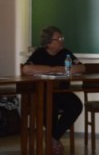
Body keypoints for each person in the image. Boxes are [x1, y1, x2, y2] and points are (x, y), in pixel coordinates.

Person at [22, 26, 84, 155]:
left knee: (76, 105)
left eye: (62, 37)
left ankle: (52, 137)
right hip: (43, 93)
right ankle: (54, 139)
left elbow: (81, 68)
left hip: (61, 92)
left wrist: (61, 69)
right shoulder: (39, 53)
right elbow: (26, 69)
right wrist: (54, 68)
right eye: (58, 38)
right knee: (50, 106)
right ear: (48, 42)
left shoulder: (66, 53)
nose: (62, 40)